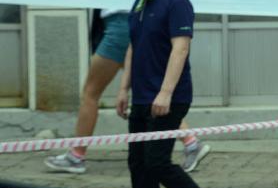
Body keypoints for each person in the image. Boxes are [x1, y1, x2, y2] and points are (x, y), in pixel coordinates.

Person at [44, 9, 211, 174]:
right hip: (135, 24)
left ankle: (76, 156)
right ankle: (191, 143)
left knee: (90, 93)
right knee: (150, 93)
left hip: (118, 28)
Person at [117, 0, 215, 188]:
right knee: (138, 163)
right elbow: (134, 47)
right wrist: (124, 88)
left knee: (156, 162)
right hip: (141, 97)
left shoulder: (176, 1)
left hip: (170, 97)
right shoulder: (139, 2)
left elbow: (181, 47)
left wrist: (166, 93)